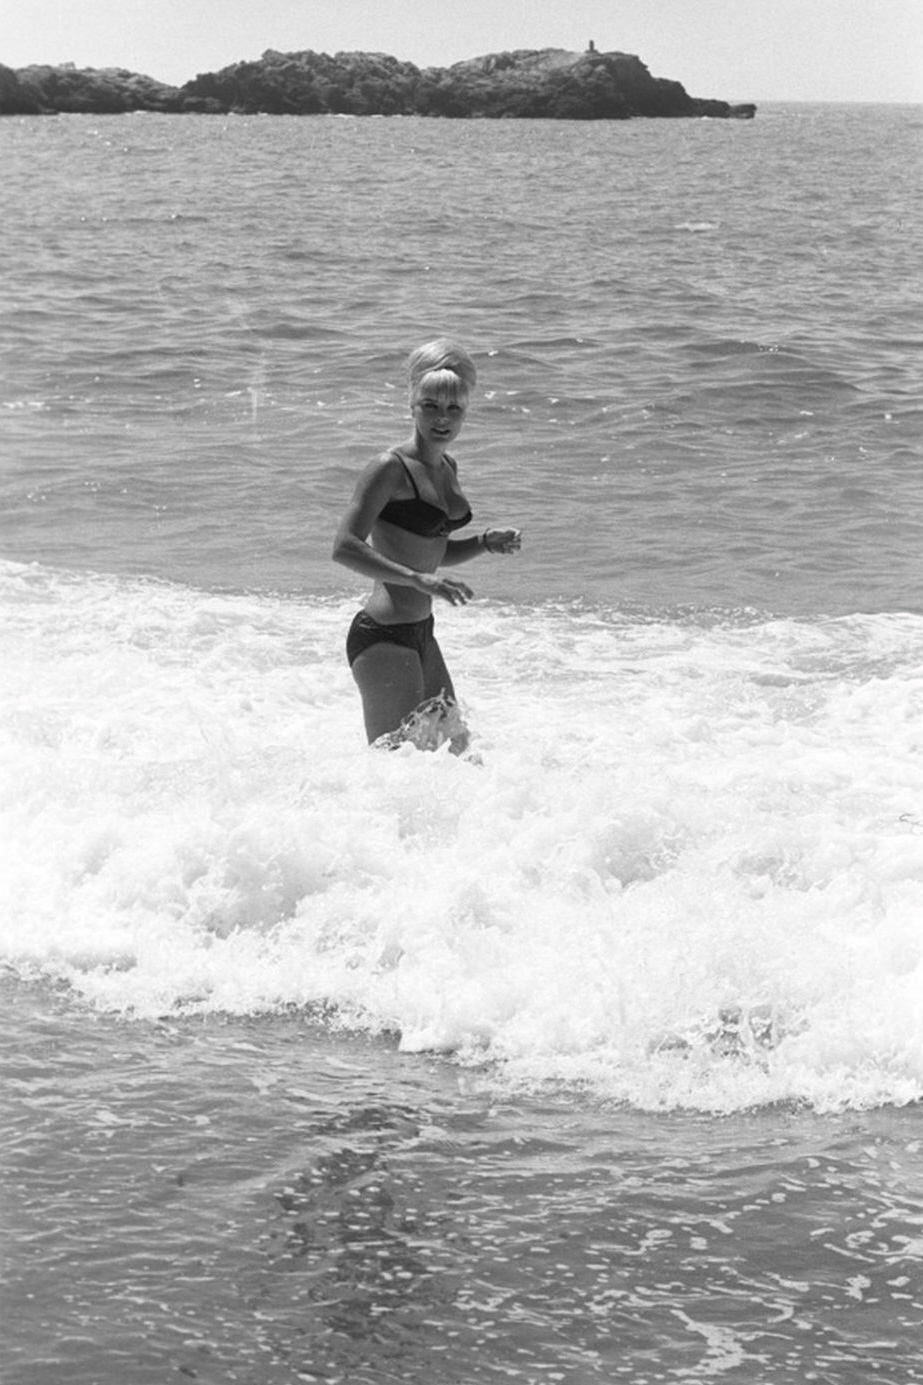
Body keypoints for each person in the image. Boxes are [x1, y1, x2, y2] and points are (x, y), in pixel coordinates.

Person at [332, 339, 521, 752]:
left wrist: (484, 543)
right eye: (431, 406)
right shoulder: (389, 468)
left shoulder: (447, 467)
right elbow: (344, 547)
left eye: (454, 409)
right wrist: (418, 579)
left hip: (422, 633)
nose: (442, 418)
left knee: (458, 751)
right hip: (383, 636)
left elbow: (431, 551)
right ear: (412, 406)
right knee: (395, 763)